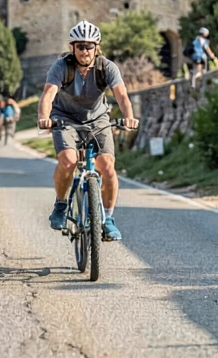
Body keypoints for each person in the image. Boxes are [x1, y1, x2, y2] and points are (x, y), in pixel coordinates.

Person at [37, 21, 140, 241]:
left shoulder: (107, 67)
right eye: (80, 46)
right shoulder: (61, 66)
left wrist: (129, 116)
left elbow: (121, 95)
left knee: (108, 168)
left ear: (97, 47)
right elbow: (48, 95)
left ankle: (109, 218)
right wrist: (44, 118)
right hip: (65, 119)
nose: (85, 51)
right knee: (68, 161)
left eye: (89, 46)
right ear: (72, 47)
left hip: (98, 120)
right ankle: (61, 204)